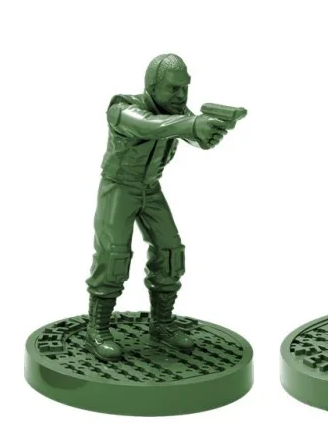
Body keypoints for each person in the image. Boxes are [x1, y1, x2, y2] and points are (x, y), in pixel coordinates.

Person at [85, 53, 228, 360]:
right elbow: (151, 127)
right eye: (173, 88)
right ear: (152, 87)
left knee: (170, 251)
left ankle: (162, 324)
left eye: (185, 87)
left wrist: (211, 130)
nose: (181, 95)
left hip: (150, 188)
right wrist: (193, 125)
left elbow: (196, 138)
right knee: (113, 256)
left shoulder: (176, 112)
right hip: (118, 188)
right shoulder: (122, 109)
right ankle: (97, 329)